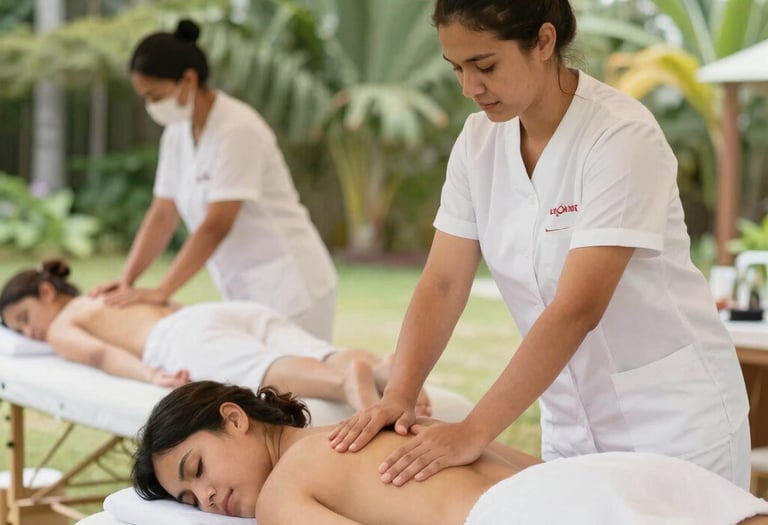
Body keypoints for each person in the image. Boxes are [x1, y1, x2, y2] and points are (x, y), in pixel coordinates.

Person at [328, 0, 751, 491]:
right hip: (571, 427)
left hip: (673, 425)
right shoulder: (477, 143)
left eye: (485, 65)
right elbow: (443, 283)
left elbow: (578, 308)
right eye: (457, 68)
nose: (470, 88)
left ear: (545, 42)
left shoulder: (620, 136)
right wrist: (398, 396)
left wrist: (473, 432)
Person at [131, 381, 768, 525]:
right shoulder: (376, 422)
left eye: (197, 470)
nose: (207, 499)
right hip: (610, 479)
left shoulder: (280, 495)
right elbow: (515, 461)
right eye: (190, 500)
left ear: (235, 419)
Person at [90, 19, 337, 341]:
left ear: (187, 80)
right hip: (245, 284)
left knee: (299, 383)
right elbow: (162, 213)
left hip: (293, 285)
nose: (151, 106)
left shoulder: (237, 128)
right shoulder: (176, 134)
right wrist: (127, 281)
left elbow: (217, 224)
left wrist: (161, 291)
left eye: (155, 95)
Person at [0, 260, 430, 412]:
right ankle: (379, 368)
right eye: (19, 331)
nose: (30, 332)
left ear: (45, 291)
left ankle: (345, 382)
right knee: (316, 349)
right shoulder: (106, 296)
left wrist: (151, 375)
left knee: (258, 370)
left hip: (177, 336)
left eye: (23, 317)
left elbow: (97, 356)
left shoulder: (61, 325)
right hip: (221, 311)